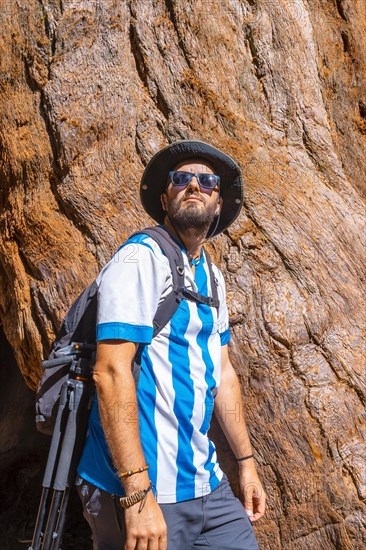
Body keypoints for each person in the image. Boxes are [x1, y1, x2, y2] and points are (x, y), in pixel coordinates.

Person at [76, 140, 266, 550]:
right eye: (181, 179)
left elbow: (224, 375)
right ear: (165, 197)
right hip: (143, 490)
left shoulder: (212, 278)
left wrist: (246, 464)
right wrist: (137, 494)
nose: (193, 186)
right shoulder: (140, 258)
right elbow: (110, 371)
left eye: (207, 181)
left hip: (208, 487)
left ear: (218, 203)